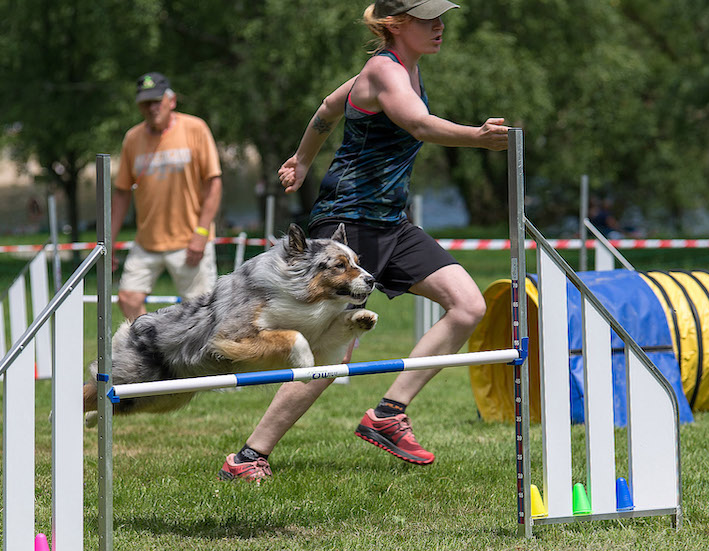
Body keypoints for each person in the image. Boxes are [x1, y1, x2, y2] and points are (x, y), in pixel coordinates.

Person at [218, 0, 509, 481]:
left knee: (468, 305)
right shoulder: (384, 70)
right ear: (396, 25)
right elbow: (418, 125)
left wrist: (303, 158)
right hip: (347, 224)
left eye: (441, 18)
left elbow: (327, 109)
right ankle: (249, 457)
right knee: (335, 352)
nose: (439, 27)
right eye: (427, 19)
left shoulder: (399, 72)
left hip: (390, 222)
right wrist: (476, 138)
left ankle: (389, 414)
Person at [112, 72, 223, 321]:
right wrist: (109, 242)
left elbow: (213, 185)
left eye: (156, 101)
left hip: (190, 240)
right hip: (146, 242)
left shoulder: (196, 128)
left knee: (201, 313)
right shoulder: (132, 138)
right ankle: (153, 350)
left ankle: (193, 358)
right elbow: (121, 193)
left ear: (171, 101)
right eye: (145, 103)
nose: (151, 108)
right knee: (128, 298)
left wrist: (202, 233)